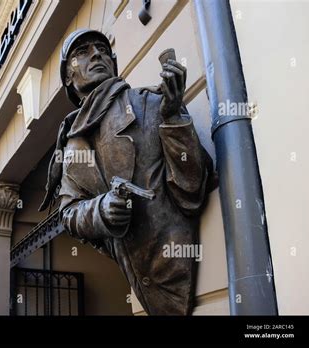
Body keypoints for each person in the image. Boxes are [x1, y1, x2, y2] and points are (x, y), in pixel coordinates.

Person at [39, 29, 216, 315]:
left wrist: (173, 116)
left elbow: (192, 189)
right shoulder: (72, 142)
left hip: (171, 264)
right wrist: (101, 210)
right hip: (137, 272)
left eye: (102, 49)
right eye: (81, 52)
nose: (96, 54)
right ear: (68, 78)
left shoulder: (149, 104)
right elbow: (69, 213)